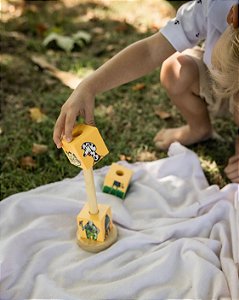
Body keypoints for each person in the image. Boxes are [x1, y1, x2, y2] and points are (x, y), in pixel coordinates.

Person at [53, 0, 239, 183]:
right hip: (219, 77)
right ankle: (199, 129)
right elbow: (150, 51)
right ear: (232, 16)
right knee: (176, 69)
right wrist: (89, 86)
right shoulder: (213, 5)